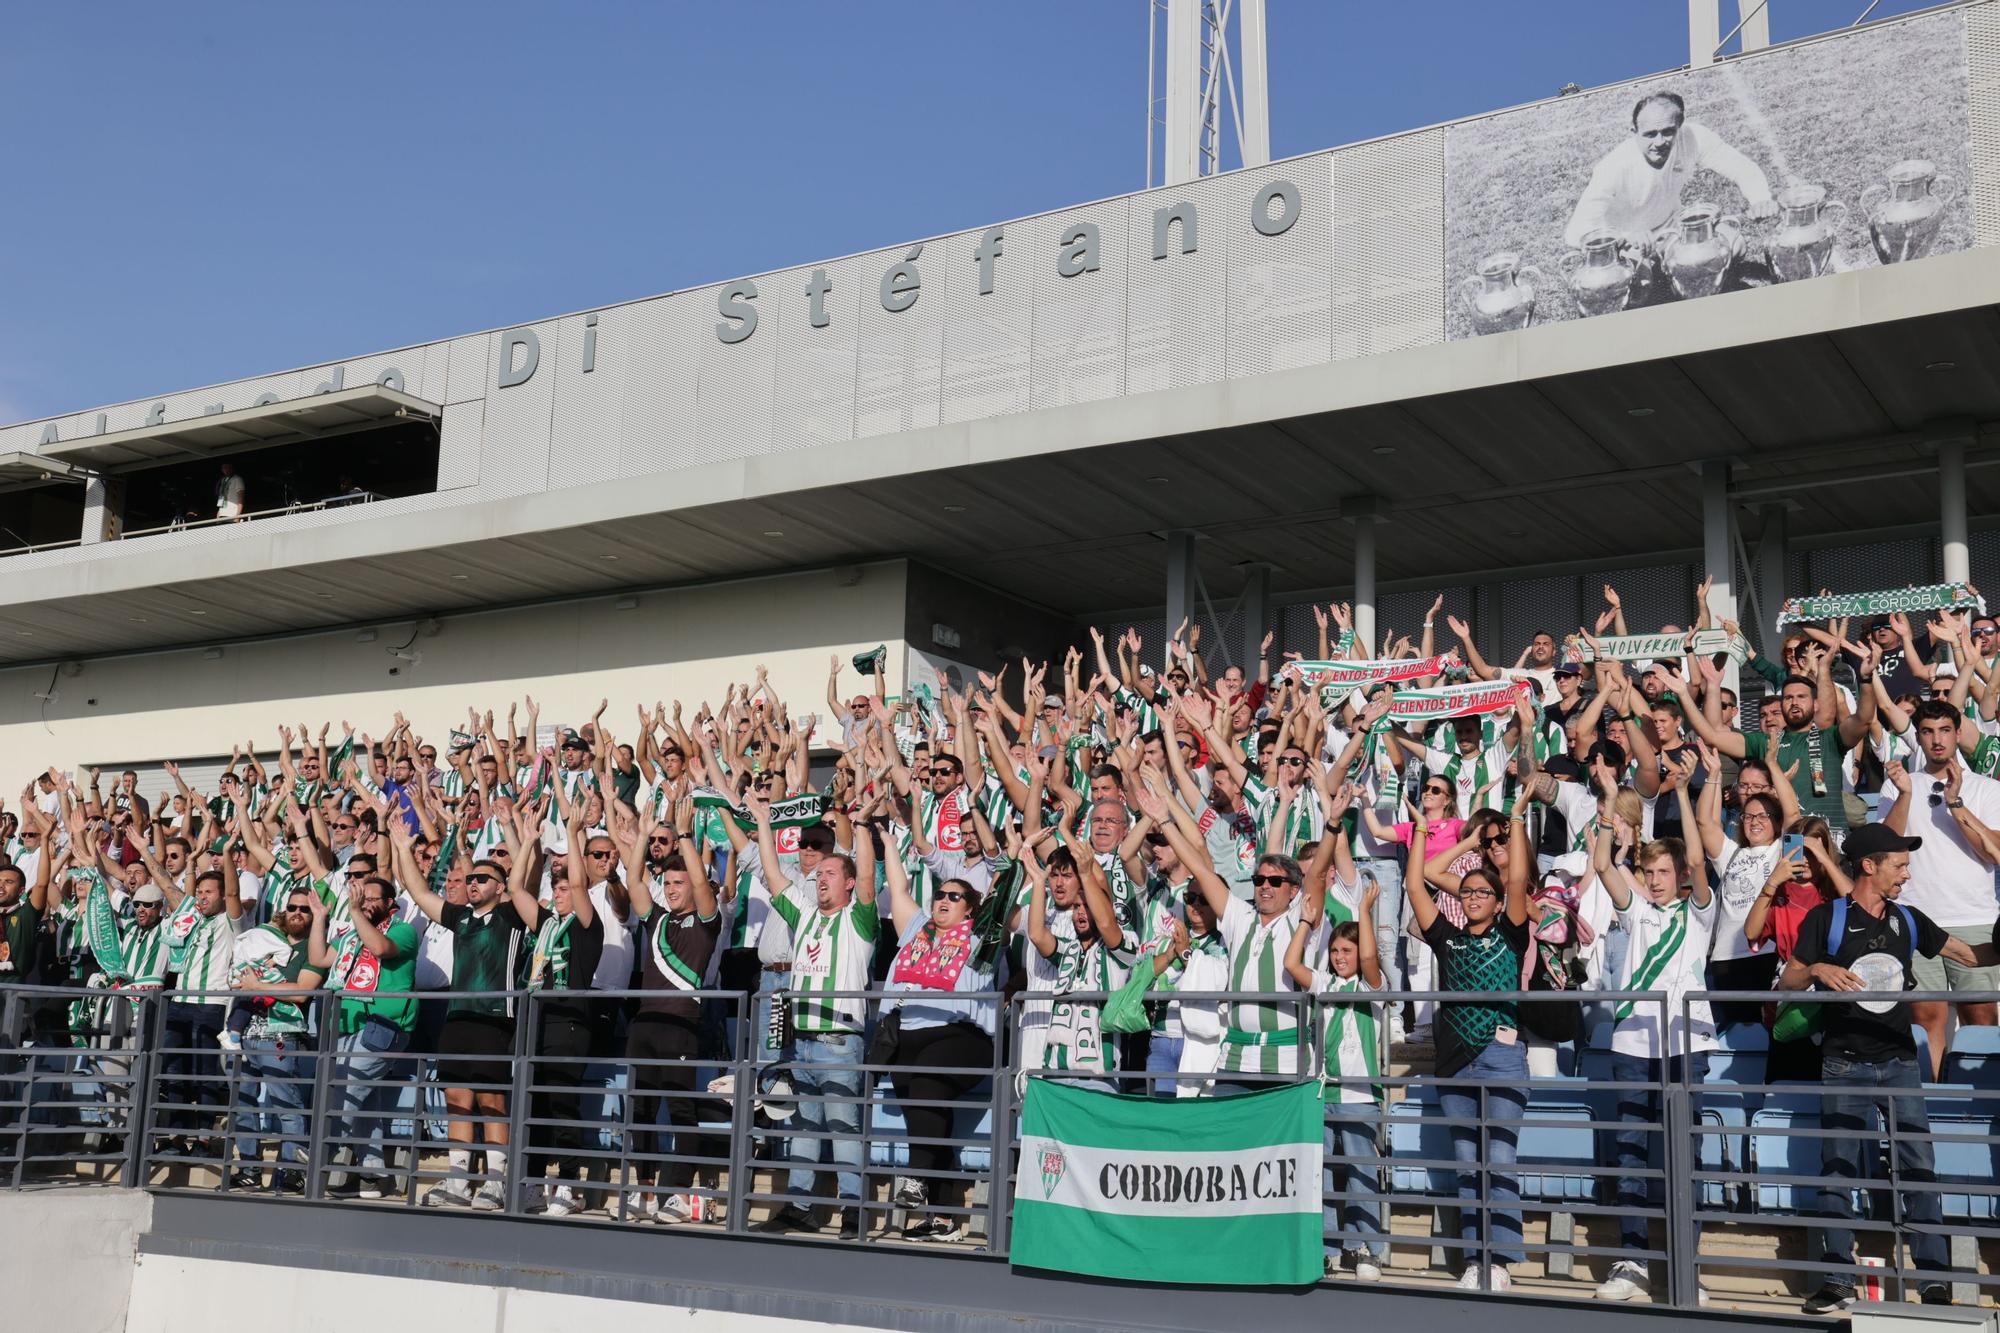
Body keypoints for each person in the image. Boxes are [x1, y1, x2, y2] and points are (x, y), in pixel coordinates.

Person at [1782, 822, 1985, 1314]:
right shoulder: (1826, 918)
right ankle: (1836, 1280)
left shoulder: (1910, 920)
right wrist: (1816, 970)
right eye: (1899, 864)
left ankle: (1933, 1282)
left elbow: (1972, 956)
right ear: (1869, 866)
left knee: (1920, 1171)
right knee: (1838, 1171)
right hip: (1842, 1064)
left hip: (1899, 1062)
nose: (1907, 874)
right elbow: (1789, 978)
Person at [1588, 758, 1715, 1303]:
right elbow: (1600, 863)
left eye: (1667, 872)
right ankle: (1632, 1264)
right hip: (1633, 1045)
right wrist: (1609, 799)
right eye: (1652, 873)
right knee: (1632, 1156)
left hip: (1687, 1043)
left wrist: (1683, 794)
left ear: (1679, 874)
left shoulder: (1700, 911)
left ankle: (1688, 1267)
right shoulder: (1634, 908)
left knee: (1683, 1158)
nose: (1659, 880)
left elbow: (1699, 855)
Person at [1408, 786, 1533, 1293]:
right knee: (1467, 1165)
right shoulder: (1447, 935)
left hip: (1501, 1057)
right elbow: (1417, 884)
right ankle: (1474, 1258)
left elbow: (1519, 877)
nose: (1474, 898)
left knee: (1498, 1160)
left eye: (1483, 893)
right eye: (1468, 893)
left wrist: (1517, 821)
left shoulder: (1511, 931)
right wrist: (1422, 832)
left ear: (1498, 902)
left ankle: (1499, 1259)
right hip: (1455, 1060)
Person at [746, 793, 877, 1240]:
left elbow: (869, 880)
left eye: (829, 873)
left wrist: (859, 827)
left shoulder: (859, 922)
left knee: (843, 1129)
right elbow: (774, 874)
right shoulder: (804, 916)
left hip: (840, 1039)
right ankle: (799, 1206)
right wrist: (764, 823)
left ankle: (853, 1211)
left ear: (848, 883)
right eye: (819, 873)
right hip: (802, 1038)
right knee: (803, 1127)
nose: (820, 879)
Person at [871, 819, 997, 1243]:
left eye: (954, 896)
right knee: (927, 1117)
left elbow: (1006, 890)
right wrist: (889, 842)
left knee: (925, 1088)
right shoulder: (916, 930)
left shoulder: (980, 936)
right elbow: (899, 888)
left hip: (962, 1039)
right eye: (941, 894)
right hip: (908, 1036)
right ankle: (941, 1218)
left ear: (971, 908)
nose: (943, 900)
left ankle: (917, 1176)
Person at [394, 818, 526, 1212]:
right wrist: (402, 848)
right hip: (458, 1016)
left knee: (491, 1098)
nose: (473, 884)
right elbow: (419, 893)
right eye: (471, 879)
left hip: (495, 1016)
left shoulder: (512, 915)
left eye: (483, 880)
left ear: (500, 888)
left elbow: (521, 885)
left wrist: (523, 837)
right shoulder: (461, 917)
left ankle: (497, 1180)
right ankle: (459, 1178)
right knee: (456, 1097)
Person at [1878, 702, 2000, 1073]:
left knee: (1981, 1017)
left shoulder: (1986, 788)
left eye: (1944, 730)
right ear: (1918, 737)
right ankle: (1930, 1106)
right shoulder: (1898, 784)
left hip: (1974, 915)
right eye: (1928, 731)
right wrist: (1904, 795)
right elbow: (1886, 847)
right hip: (1916, 919)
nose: (1937, 739)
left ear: (1958, 732)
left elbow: (1993, 852)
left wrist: (1956, 803)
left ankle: (1983, 1104)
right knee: (1925, 1018)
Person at [614, 797, 720, 1225]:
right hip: (645, 1025)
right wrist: (641, 839)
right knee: (639, 1111)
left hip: (681, 1025)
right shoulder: (657, 918)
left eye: (681, 883)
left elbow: (700, 881)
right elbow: (636, 881)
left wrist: (684, 838)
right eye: (670, 883)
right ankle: (647, 1191)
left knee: (680, 1111)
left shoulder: (708, 920)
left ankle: (678, 1193)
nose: (674, 888)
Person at [1285, 879, 1387, 1283]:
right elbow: (1292, 965)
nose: (1341, 956)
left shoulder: (1369, 986)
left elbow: (1370, 959)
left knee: (1361, 1170)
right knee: (1321, 1170)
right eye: (1336, 950)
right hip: (1321, 1092)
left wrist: (1362, 911)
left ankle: (1367, 1248)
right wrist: (1307, 925)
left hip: (1359, 1094)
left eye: (1348, 950)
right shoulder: (1325, 984)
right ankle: (1325, 1246)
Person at [310, 873, 419, 1200]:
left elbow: (380, 947)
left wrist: (355, 911)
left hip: (383, 1026)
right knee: (363, 1101)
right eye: (362, 897)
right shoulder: (351, 934)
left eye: (373, 899)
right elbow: (319, 959)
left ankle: (315, 1161)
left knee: (343, 1096)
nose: (366, 903)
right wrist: (319, 919)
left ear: (391, 905)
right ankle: (373, 1174)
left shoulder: (404, 930)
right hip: (345, 1026)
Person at [1563, 90, 1777, 254]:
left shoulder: (1693, 137)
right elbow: (1575, 233)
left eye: (1667, 132)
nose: (1659, 142)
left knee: (1734, 246)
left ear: (1680, 125)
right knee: (1640, 288)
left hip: (1672, 227)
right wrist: (1625, 238)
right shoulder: (1614, 167)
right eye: (1650, 134)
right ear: (1634, 132)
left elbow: (1740, 166)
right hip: (1626, 242)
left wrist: (1760, 199)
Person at [227, 883, 329, 1191]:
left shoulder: (313, 949)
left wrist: (256, 987)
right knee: (243, 1104)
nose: (297, 913)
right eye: (292, 907)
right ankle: (249, 1169)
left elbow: (303, 992)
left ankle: (292, 1172)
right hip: (246, 1035)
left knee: (287, 1106)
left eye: (305, 909)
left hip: (282, 1037)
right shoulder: (266, 941)